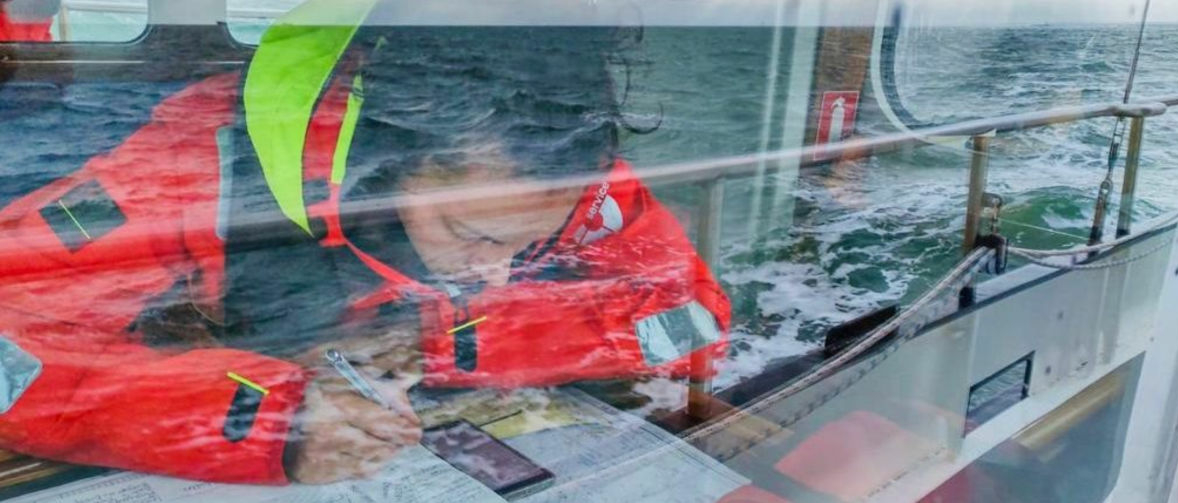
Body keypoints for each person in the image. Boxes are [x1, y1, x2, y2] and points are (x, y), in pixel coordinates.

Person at [0, 0, 730, 486]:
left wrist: (452, 340)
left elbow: (696, 319)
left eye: (531, 242)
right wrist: (272, 422)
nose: (498, 270)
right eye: (470, 232)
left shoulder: (566, 172)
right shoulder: (196, 169)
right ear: (381, 161)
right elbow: (8, 357)